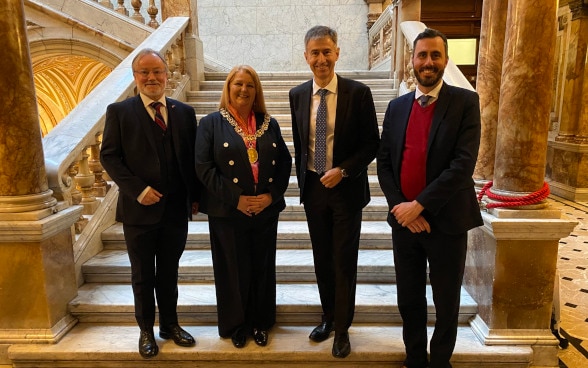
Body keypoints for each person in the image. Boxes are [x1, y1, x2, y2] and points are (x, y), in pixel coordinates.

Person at [377, 28, 483, 368]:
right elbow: (385, 164)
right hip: (404, 223)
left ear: (445, 60)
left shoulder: (465, 102)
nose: (428, 62)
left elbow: (462, 165)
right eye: (422, 55)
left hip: (447, 222)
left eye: (435, 55)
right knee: (409, 298)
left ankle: (439, 361)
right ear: (412, 61)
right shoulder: (396, 107)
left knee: (446, 298)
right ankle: (414, 358)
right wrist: (400, 208)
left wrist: (418, 206)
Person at [100, 48, 200, 359]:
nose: (151, 77)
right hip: (139, 211)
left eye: (157, 71)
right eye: (144, 72)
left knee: (169, 272)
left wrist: (195, 197)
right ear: (135, 77)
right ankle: (145, 330)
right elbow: (109, 157)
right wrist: (137, 190)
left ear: (167, 75)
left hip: (175, 211)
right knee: (142, 274)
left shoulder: (184, 113)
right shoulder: (120, 112)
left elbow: (191, 159)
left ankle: (170, 325)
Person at [289, 25, 380, 358]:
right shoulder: (297, 95)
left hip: (346, 191)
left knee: (343, 260)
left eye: (327, 51)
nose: (321, 59)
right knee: (322, 259)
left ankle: (342, 329)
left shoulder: (358, 93)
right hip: (314, 190)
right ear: (306, 56)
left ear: (337, 53)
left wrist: (343, 170)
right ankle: (328, 318)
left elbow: (372, 143)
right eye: (315, 52)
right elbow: (301, 145)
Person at [195, 65, 291, 349]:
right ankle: (236, 325)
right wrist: (236, 197)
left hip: (264, 210)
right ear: (228, 88)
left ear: (256, 91)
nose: (244, 90)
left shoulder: (268, 122)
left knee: (262, 267)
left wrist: (270, 196)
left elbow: (284, 163)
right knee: (232, 270)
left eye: (250, 85)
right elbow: (203, 167)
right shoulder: (211, 123)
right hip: (228, 211)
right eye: (238, 84)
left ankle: (260, 322)